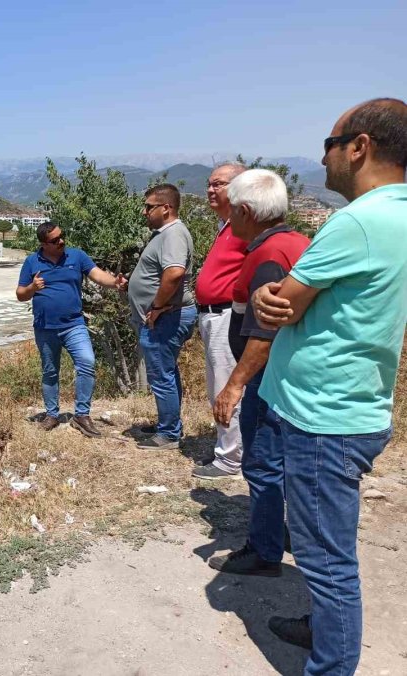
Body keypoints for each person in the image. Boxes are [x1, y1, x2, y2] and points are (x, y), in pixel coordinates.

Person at [251, 98, 407, 675]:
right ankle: (323, 631)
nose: (322, 158)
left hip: (324, 418)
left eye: (328, 144)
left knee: (325, 560)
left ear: (359, 147)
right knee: (328, 551)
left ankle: (331, 664)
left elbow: (281, 307)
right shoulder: (401, 214)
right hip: (357, 404)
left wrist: (270, 301)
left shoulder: (357, 220)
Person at [205, 169, 309, 577]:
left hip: (267, 379)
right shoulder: (292, 242)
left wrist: (233, 386)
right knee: (279, 462)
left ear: (246, 210)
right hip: (286, 375)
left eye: (232, 208)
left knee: (262, 464)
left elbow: (264, 331)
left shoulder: (267, 256)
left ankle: (264, 551)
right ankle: (280, 531)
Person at [16, 221, 125, 438]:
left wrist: (115, 283)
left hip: (74, 324)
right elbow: (20, 294)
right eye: (55, 240)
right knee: (49, 371)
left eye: (62, 236)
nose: (61, 241)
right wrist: (32, 288)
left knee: (87, 362)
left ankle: (81, 415)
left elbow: (96, 274)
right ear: (44, 244)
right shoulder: (31, 262)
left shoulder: (76, 256)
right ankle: (52, 415)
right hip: (45, 327)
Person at [126, 184, 197, 449]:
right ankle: (169, 424)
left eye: (149, 206)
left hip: (167, 316)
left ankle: (168, 433)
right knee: (166, 371)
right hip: (166, 314)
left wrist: (156, 306)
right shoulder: (164, 234)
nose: (144, 212)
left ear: (166, 208)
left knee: (161, 374)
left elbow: (175, 272)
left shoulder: (173, 234)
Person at [191, 162, 248, 480]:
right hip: (213, 315)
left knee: (228, 387)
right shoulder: (226, 226)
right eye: (209, 184)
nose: (211, 190)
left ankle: (230, 459)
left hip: (228, 315)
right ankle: (228, 449)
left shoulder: (245, 226)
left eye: (219, 184)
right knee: (218, 386)